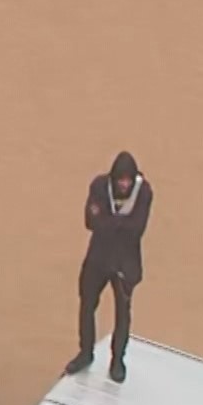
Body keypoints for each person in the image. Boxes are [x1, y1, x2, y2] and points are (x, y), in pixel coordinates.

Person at [65, 151, 154, 383]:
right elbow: (91, 222)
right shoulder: (98, 186)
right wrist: (120, 224)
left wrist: (109, 222)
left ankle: (117, 361)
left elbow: (137, 228)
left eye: (127, 180)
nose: (123, 184)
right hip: (98, 258)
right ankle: (85, 352)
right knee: (86, 305)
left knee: (122, 315)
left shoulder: (143, 192)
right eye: (120, 180)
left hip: (126, 263)